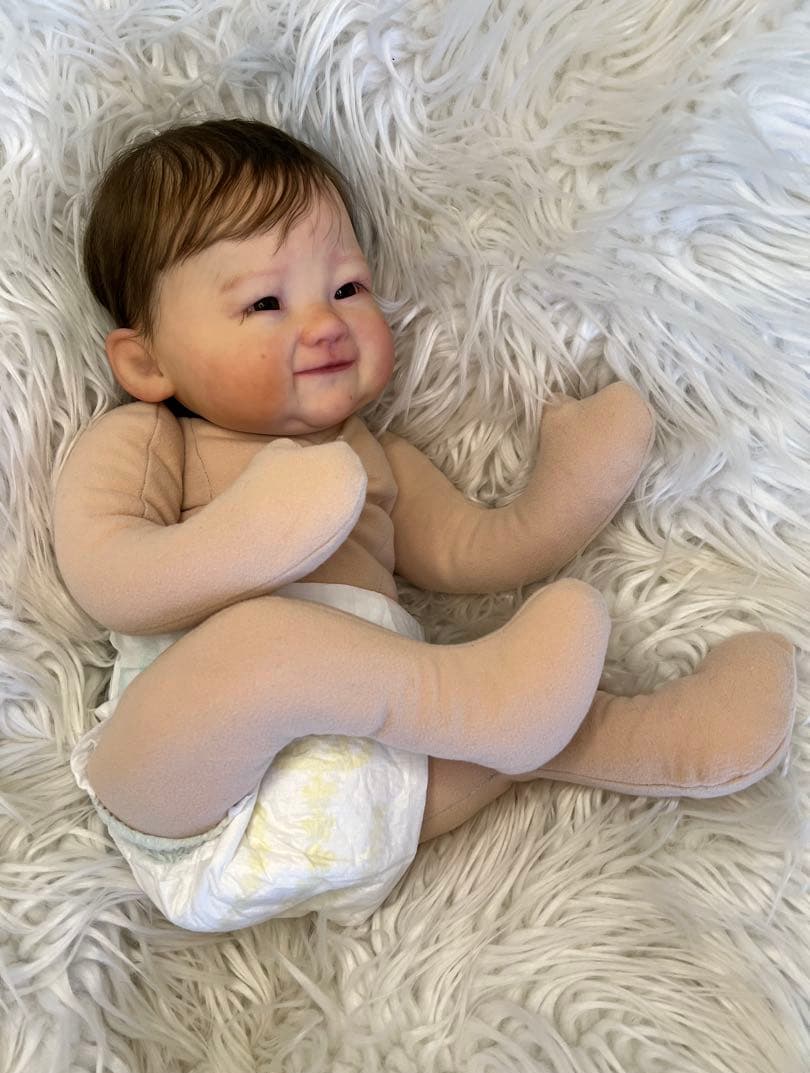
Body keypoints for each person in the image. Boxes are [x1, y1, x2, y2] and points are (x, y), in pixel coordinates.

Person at [53, 119, 796, 931]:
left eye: (347, 289)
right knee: (259, 650)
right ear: (148, 363)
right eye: (265, 302)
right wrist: (253, 535)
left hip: (377, 800)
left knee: (537, 724)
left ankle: (677, 737)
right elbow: (110, 578)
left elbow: (477, 550)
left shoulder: (374, 456)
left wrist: (573, 486)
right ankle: (481, 701)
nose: (324, 323)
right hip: (185, 798)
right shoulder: (152, 441)